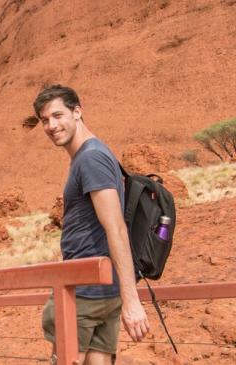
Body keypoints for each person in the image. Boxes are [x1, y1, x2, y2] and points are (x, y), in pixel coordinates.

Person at [32, 85, 150, 365]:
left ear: (77, 112)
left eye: (58, 115)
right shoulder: (90, 155)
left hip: (83, 294)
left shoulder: (90, 158)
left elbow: (116, 227)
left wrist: (132, 300)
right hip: (100, 290)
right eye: (45, 120)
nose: (51, 125)